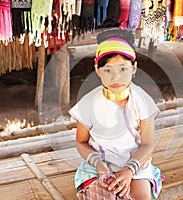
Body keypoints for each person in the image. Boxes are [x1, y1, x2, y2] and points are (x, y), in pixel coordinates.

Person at [69, 29, 162, 199]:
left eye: (123, 69)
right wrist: (99, 165)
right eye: (108, 70)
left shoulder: (142, 101)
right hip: (98, 166)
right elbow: (81, 141)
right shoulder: (89, 103)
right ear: (97, 70)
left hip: (135, 164)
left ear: (133, 68)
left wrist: (129, 170)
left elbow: (148, 145)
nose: (116, 77)